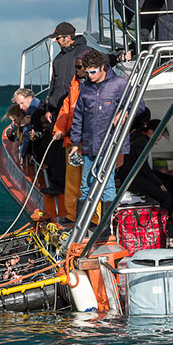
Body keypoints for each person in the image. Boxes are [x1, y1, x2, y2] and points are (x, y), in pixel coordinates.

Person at [69, 49, 145, 220]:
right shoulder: (85, 88)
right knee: (85, 185)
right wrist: (75, 143)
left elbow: (139, 106)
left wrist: (124, 112)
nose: (90, 76)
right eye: (87, 72)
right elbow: (78, 116)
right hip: (89, 144)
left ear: (102, 67)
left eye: (93, 72)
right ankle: (82, 225)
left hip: (111, 143)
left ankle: (105, 228)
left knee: (107, 184)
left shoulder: (119, 84)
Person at [52, 50, 90, 219]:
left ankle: (93, 218)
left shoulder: (97, 85)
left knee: (89, 181)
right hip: (72, 140)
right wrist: (59, 130)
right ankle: (72, 214)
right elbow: (66, 109)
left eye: (79, 67)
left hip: (88, 142)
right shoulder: (75, 84)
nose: (76, 70)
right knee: (72, 181)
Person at [119, 118, 173, 216]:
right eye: (159, 134)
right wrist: (158, 183)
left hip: (139, 174)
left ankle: (172, 215)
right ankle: (163, 219)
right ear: (150, 131)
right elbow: (144, 167)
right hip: (135, 179)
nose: (159, 137)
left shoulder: (139, 136)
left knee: (171, 181)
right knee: (166, 196)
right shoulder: (141, 142)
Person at [46, 22, 90, 121]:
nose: (56, 41)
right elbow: (53, 84)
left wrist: (118, 57)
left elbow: (102, 60)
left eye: (58, 38)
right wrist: (48, 109)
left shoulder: (85, 51)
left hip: (76, 108)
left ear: (68, 38)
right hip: (57, 110)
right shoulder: (58, 58)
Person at [11, 88, 40, 160]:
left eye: (22, 103)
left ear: (29, 98)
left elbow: (27, 137)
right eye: (19, 104)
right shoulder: (37, 104)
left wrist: (22, 155)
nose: (20, 107)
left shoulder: (32, 111)